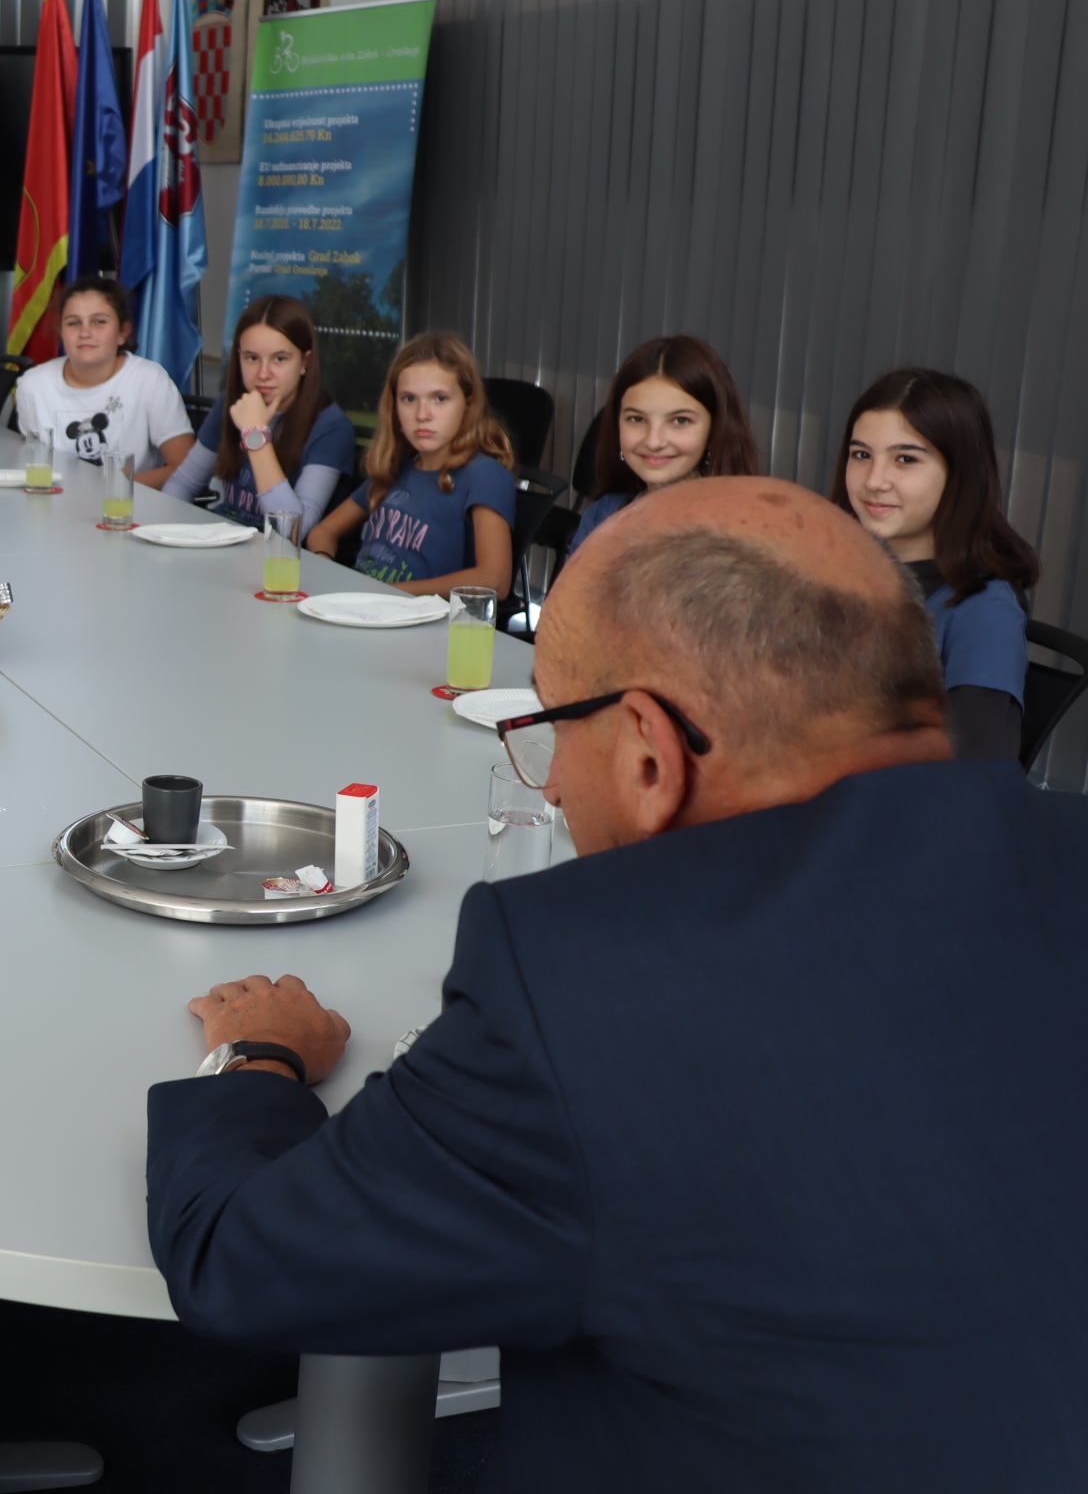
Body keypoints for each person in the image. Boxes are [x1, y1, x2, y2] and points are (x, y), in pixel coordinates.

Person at [147, 475, 1088, 1490]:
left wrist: (260, 1056)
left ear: (648, 756)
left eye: (553, 730)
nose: (551, 781)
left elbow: (242, 1261)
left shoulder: (584, 992)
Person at [835, 366, 1038, 763]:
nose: (874, 480)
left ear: (959, 473)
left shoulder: (986, 611)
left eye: (905, 459)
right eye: (861, 455)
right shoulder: (835, 570)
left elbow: (973, 773)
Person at [303, 331, 517, 597]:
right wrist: (324, 564)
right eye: (409, 399)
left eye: (440, 398)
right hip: (361, 604)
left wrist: (385, 593)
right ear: (394, 407)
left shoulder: (484, 474)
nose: (422, 415)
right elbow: (324, 530)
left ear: (468, 403)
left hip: (414, 614)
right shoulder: (399, 466)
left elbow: (495, 579)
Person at [162, 294, 358, 532]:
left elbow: (293, 531)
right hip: (219, 540)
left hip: (275, 553)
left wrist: (255, 434)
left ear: (305, 362)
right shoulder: (231, 404)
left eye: (280, 359)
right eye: (252, 358)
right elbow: (182, 484)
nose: (263, 373)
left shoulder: (332, 426)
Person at [570, 333, 762, 553]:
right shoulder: (602, 515)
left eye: (680, 420)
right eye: (637, 419)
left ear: (715, 430)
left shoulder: (741, 530)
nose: (654, 441)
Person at [13, 276, 195, 484]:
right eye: (73, 323)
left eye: (99, 321)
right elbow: (34, 463)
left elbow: (185, 470)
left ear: (122, 332)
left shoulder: (150, 380)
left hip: (126, 502)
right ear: (62, 333)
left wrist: (111, 486)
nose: (85, 333)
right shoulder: (33, 385)